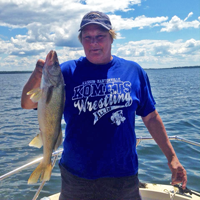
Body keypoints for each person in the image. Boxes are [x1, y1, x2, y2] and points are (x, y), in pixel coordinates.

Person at [21, 11, 187, 200]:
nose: (94, 43)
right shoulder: (66, 71)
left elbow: (151, 117)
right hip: (76, 175)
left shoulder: (133, 71)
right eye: (87, 38)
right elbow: (27, 104)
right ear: (81, 41)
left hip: (123, 175)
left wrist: (172, 158)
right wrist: (37, 74)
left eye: (100, 37)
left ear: (111, 37)